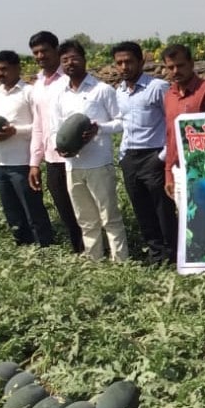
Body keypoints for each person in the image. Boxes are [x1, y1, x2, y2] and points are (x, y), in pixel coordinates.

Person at [51, 40, 128, 262]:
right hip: (72, 166)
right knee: (85, 219)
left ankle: (121, 262)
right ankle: (95, 260)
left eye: (74, 58)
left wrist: (98, 129)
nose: (70, 63)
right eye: (65, 60)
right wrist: (60, 148)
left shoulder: (102, 90)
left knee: (109, 217)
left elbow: (121, 122)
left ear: (84, 60)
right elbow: (56, 128)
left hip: (98, 164)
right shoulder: (60, 94)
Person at [113, 41, 175, 265]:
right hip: (130, 157)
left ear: (141, 61)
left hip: (154, 155)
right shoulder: (119, 92)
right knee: (142, 209)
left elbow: (172, 122)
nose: (124, 67)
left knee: (163, 209)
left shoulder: (157, 87)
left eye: (128, 61)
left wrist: (163, 156)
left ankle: (172, 255)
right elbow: (122, 122)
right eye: (119, 63)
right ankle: (155, 253)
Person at [0, 50, 54, 246]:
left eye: (4, 69)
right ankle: (23, 247)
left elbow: (41, 126)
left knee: (33, 209)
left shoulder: (29, 92)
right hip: (0, 160)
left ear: (17, 68)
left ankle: (44, 247)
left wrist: (15, 131)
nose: (0, 73)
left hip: (23, 161)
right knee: (12, 211)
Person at [27, 30, 83, 253]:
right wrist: (34, 162)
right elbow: (38, 126)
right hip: (52, 157)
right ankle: (79, 250)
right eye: (36, 53)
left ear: (56, 51)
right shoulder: (38, 85)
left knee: (84, 208)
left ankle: (97, 251)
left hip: (75, 156)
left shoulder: (68, 79)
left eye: (45, 51)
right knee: (65, 209)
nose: (40, 56)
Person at [163, 43, 205, 208]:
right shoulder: (170, 95)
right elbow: (170, 137)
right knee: (187, 226)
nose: (176, 71)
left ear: (191, 64)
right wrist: (168, 174)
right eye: (171, 67)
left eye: (180, 65)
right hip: (179, 171)